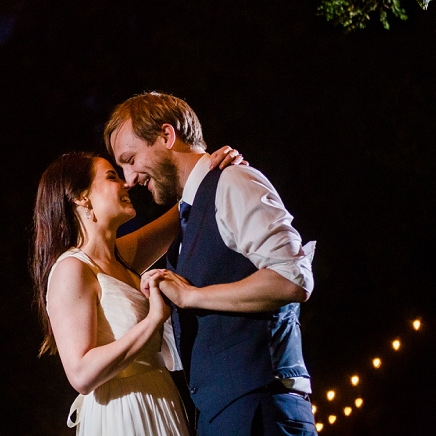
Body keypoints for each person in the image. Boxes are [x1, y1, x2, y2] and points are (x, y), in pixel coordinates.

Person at [104, 92, 316, 436]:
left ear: (167, 136)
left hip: (260, 413)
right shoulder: (189, 219)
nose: (129, 179)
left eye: (130, 159)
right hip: (220, 417)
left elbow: (292, 278)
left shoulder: (234, 180)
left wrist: (193, 297)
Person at [32, 147, 243, 435]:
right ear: (81, 197)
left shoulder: (119, 257)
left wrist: (214, 169)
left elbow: (182, 213)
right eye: (111, 177)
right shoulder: (72, 268)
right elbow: (80, 374)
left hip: (161, 400)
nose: (126, 183)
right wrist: (153, 319)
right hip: (122, 411)